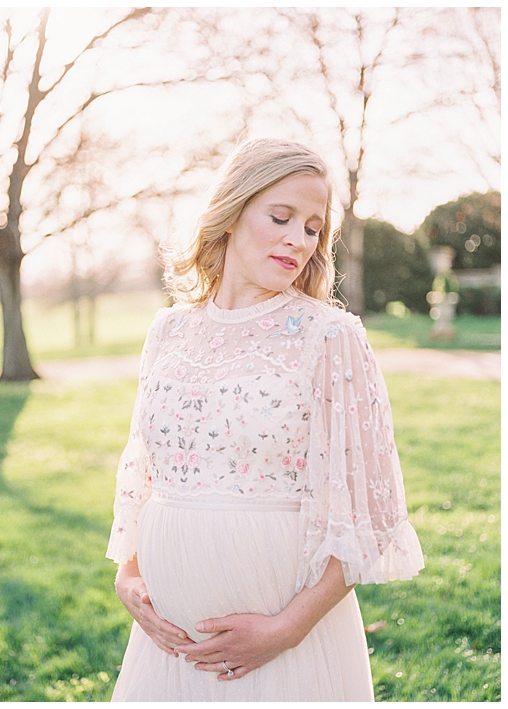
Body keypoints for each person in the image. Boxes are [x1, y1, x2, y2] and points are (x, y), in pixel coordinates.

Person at [107, 138, 424, 701]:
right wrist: (128, 575)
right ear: (230, 214)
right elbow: (143, 471)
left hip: (283, 647)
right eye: (281, 217)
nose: (297, 240)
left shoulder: (330, 336)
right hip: (165, 650)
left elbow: (368, 514)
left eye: (312, 228)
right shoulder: (169, 332)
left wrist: (286, 629)